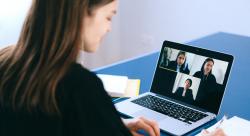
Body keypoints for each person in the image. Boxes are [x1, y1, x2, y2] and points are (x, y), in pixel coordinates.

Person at [0, 0, 225, 136]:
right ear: (81, 11)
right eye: (109, 17)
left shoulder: (6, 60)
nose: (109, 29)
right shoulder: (80, 87)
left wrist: (114, 126)